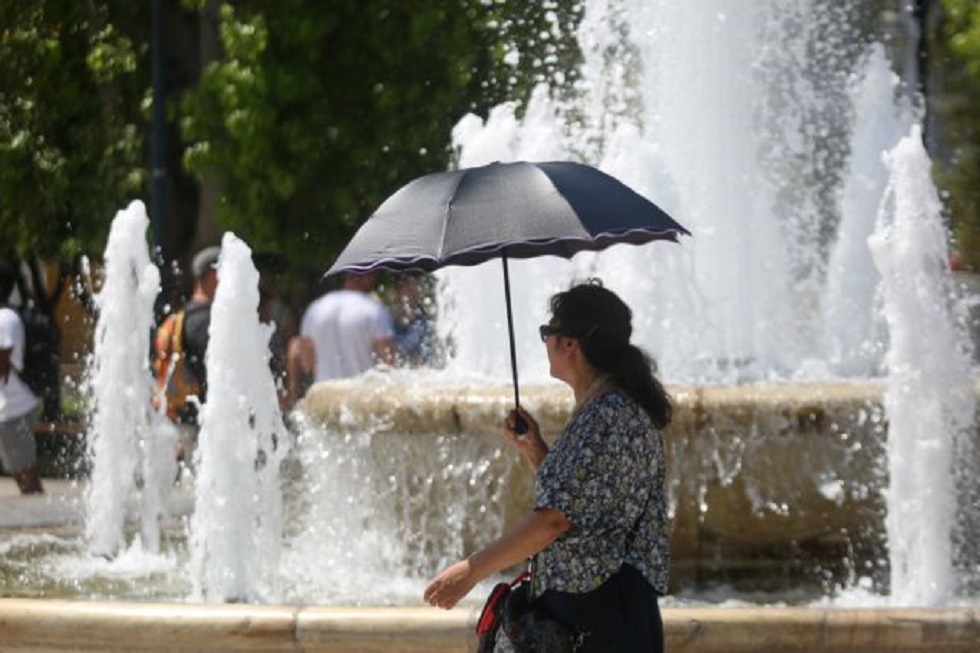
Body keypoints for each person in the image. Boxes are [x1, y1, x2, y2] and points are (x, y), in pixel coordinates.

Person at [423, 279, 671, 652]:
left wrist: (471, 570)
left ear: (570, 343)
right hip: (603, 608)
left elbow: (554, 520)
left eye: (547, 332)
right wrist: (536, 448)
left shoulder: (606, 415)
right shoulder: (611, 407)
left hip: (599, 615)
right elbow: (585, 503)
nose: (545, 342)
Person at [286, 272, 396, 405]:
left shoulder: (315, 309)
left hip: (324, 400)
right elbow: (389, 365)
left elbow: (307, 364)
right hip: (361, 402)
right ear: (367, 277)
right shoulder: (375, 311)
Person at [153, 246, 220, 465]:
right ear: (212, 275)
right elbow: (215, 377)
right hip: (199, 429)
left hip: (175, 422)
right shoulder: (206, 322)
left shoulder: (179, 318)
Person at [0, 262, 44, 494]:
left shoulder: (4, 318)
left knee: (28, 475)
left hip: (18, 405)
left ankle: (44, 521)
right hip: (10, 408)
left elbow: (3, 358)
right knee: (20, 472)